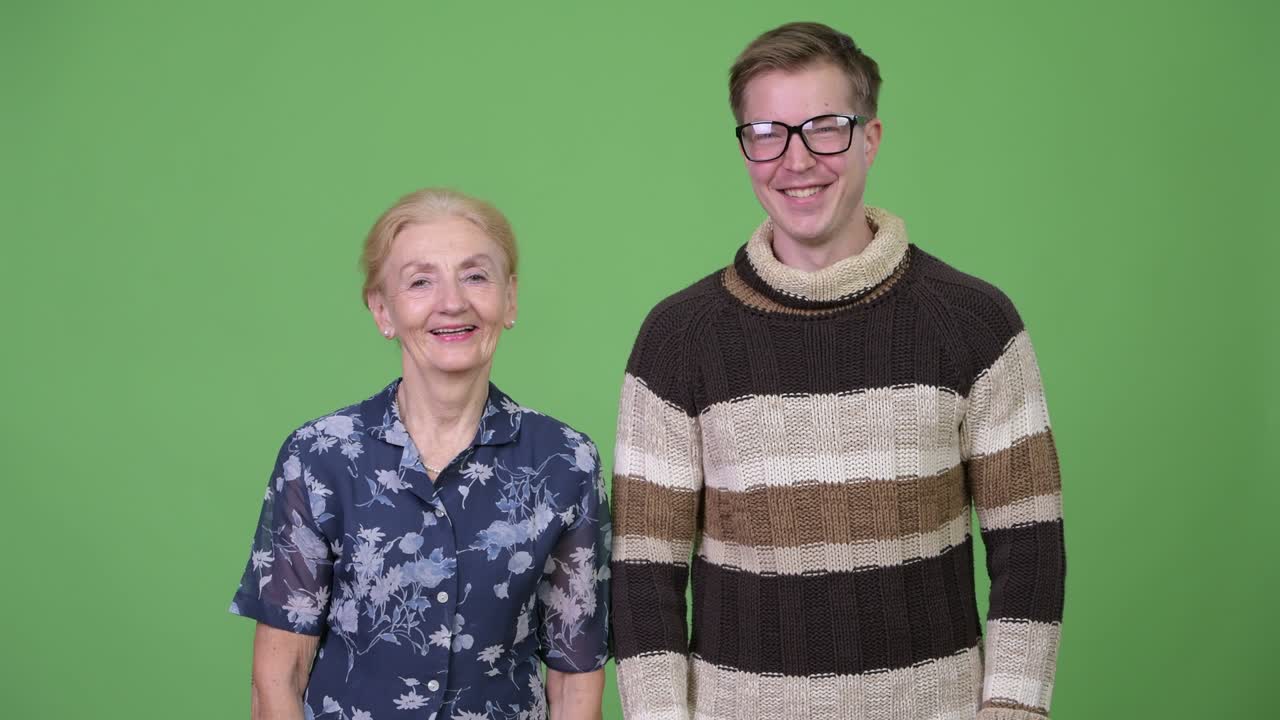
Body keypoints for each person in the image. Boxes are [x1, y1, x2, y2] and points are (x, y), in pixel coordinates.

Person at [610, 22, 1065, 720]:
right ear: (745, 147)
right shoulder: (678, 339)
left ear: (870, 138)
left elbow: (1030, 546)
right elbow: (644, 573)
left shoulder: (975, 323)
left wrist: (1011, 710)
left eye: (824, 127)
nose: (797, 160)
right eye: (768, 132)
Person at [230, 188, 610, 720]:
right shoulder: (319, 456)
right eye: (420, 281)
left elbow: (575, 683)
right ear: (383, 310)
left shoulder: (566, 462)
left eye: (475, 276)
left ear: (511, 299)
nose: (452, 302)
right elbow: (278, 680)